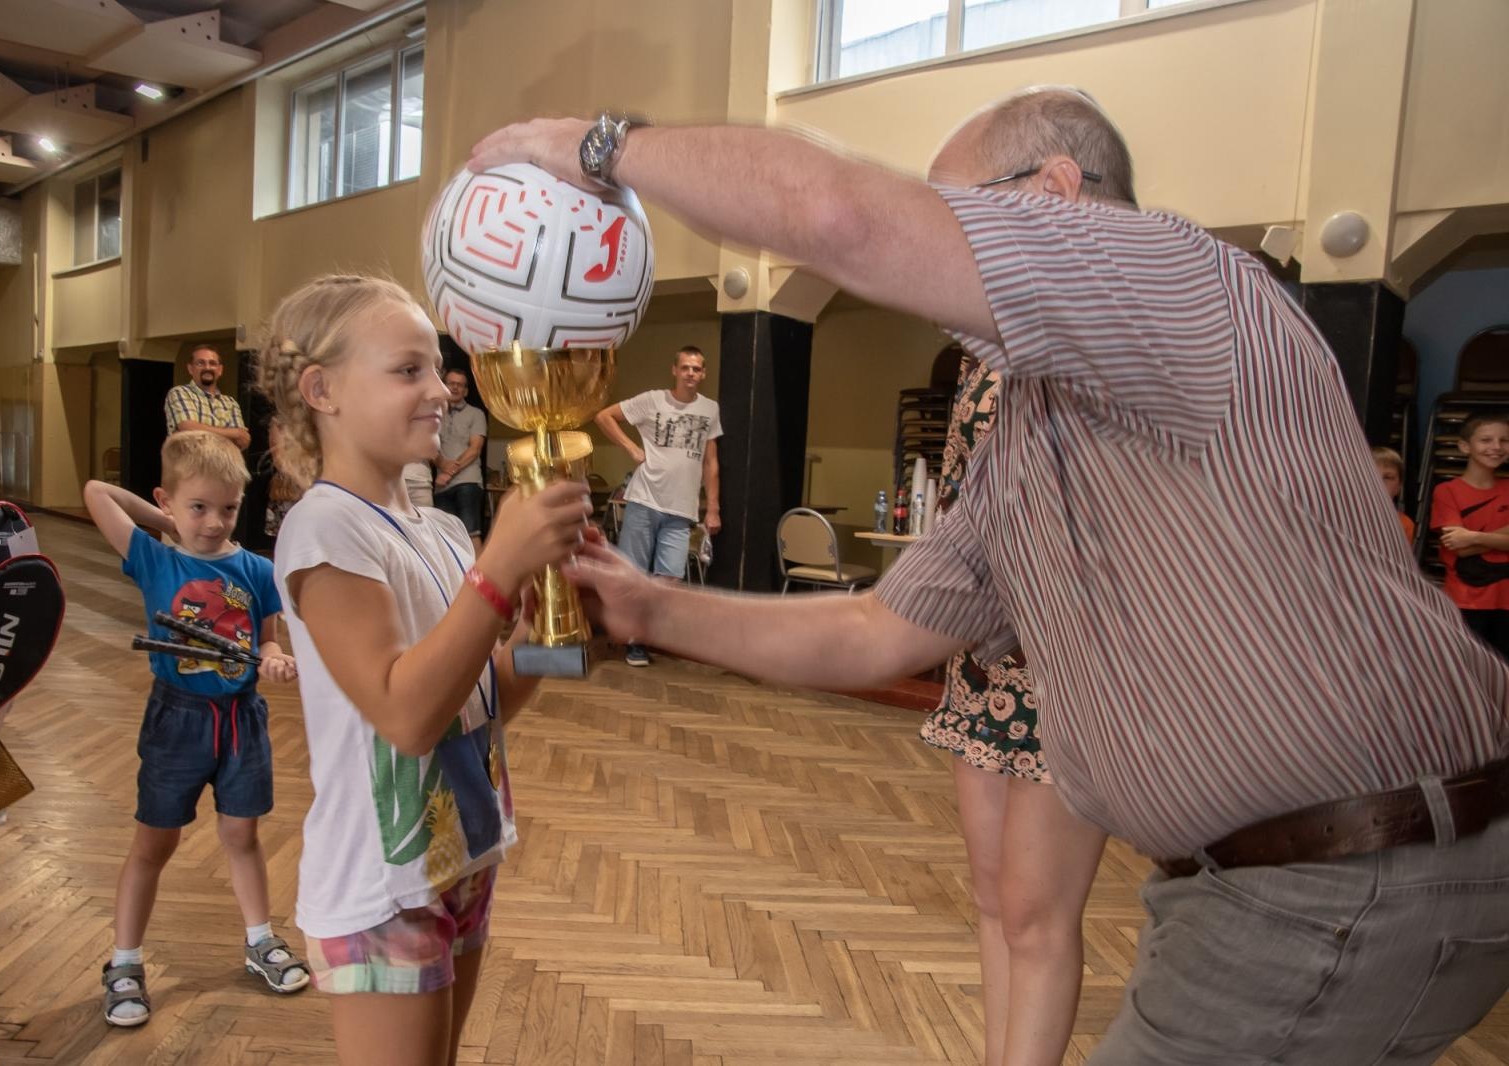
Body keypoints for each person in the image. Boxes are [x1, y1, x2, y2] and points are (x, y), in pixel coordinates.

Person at [473, 91, 1509, 1064]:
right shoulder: (1026, 435)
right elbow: (878, 629)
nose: (937, 268)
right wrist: (645, 603)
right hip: (1310, 882)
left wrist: (595, 146)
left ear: (1056, 195)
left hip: (1341, 880)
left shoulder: (1173, 273)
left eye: (956, 211)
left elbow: (839, 216)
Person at [254, 274, 589, 1066]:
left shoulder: (439, 529)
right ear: (321, 390)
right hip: (381, 881)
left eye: (436, 369)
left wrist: (554, 628)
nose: (440, 390)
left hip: (461, 849)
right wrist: (501, 568)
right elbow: (405, 714)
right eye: (409, 371)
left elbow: (478, 699)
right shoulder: (322, 527)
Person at [83, 432, 307, 1029]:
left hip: (241, 720)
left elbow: (265, 637)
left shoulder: (257, 568)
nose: (213, 523)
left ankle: (259, 939)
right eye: (198, 507)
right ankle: (124, 961)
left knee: (242, 835)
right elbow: (96, 490)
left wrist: (276, 655)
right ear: (167, 500)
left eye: (227, 509)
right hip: (175, 719)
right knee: (154, 844)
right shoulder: (155, 557)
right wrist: (170, 522)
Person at [921, 356, 1105, 1066]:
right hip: (982, 651)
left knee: (1038, 915)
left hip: (1066, 652)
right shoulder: (973, 362)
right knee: (994, 898)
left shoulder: (1078, 345)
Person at [593, 346, 721, 667]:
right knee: (632, 573)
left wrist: (713, 508)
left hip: (682, 509)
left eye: (697, 369)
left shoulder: (710, 409)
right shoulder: (652, 400)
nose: (691, 373)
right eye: (686, 368)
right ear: (674, 370)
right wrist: (633, 449)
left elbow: (711, 463)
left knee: (669, 578)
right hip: (644, 500)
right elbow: (603, 416)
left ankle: (644, 632)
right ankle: (633, 638)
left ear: (703, 374)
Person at [1432, 414, 1509, 658]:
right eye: (1486, 440)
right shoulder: (1447, 491)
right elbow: (1459, 547)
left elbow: (1466, 541)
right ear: (1465, 446)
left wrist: (1473, 536)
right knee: (1467, 672)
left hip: (1506, 602)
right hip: (1466, 600)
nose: (1496, 447)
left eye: (1504, 440)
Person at [432, 368, 488, 549]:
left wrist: (449, 472)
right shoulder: (434, 413)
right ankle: (455, 578)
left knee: (471, 534)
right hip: (441, 486)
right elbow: (430, 447)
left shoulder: (476, 413)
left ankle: (480, 578)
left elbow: (475, 449)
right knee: (446, 538)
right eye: (451, 383)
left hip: (468, 482)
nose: (455, 388)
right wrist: (442, 466)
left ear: (466, 390)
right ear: (444, 385)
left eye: (460, 385)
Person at [164, 344, 251, 451]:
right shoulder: (179, 393)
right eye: (200, 363)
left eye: (212, 363)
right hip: (188, 467)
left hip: (221, 467)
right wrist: (233, 433)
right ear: (190, 368)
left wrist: (199, 431)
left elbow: (242, 441)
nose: (207, 367)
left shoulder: (230, 403)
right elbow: (187, 428)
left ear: (220, 370)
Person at [1371, 445, 1417, 545]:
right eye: (1372, 475)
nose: (1379, 482)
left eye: (1388, 477)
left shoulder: (1405, 525)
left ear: (1399, 487)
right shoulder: (1343, 518)